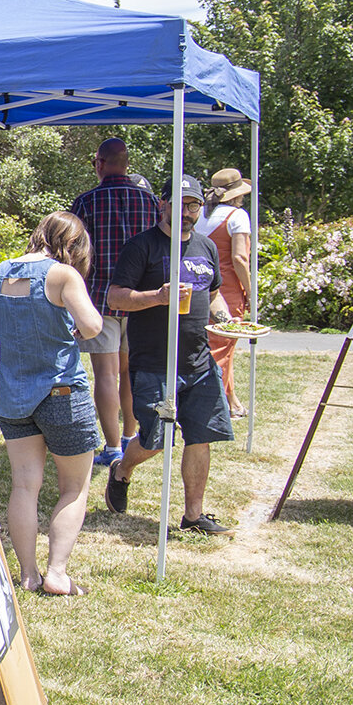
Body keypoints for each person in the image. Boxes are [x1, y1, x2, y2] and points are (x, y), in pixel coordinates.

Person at [103, 175, 236, 535]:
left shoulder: (206, 247)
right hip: (154, 362)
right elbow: (115, 297)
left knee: (201, 435)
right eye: (181, 203)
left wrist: (225, 319)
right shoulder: (141, 246)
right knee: (156, 439)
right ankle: (122, 469)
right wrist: (157, 297)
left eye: (194, 205)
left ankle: (194, 515)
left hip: (198, 362)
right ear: (163, 204)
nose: (188, 211)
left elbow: (216, 294)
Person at [0, 212, 105, 596]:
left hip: (13, 395)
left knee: (24, 486)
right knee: (73, 487)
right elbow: (93, 326)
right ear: (74, 245)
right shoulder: (63, 276)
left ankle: (28, 574)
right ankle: (57, 573)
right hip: (61, 392)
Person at [70, 137, 160, 468]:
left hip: (97, 300)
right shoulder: (149, 201)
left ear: (100, 163)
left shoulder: (86, 202)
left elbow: (73, 254)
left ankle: (111, 447)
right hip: (139, 300)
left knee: (105, 375)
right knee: (128, 373)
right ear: (126, 163)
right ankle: (129, 435)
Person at [200, 168, 255, 417]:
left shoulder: (200, 215)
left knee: (220, 345)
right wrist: (251, 293)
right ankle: (212, 407)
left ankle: (231, 401)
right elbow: (240, 258)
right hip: (228, 289)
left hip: (201, 285)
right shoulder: (238, 216)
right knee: (221, 347)